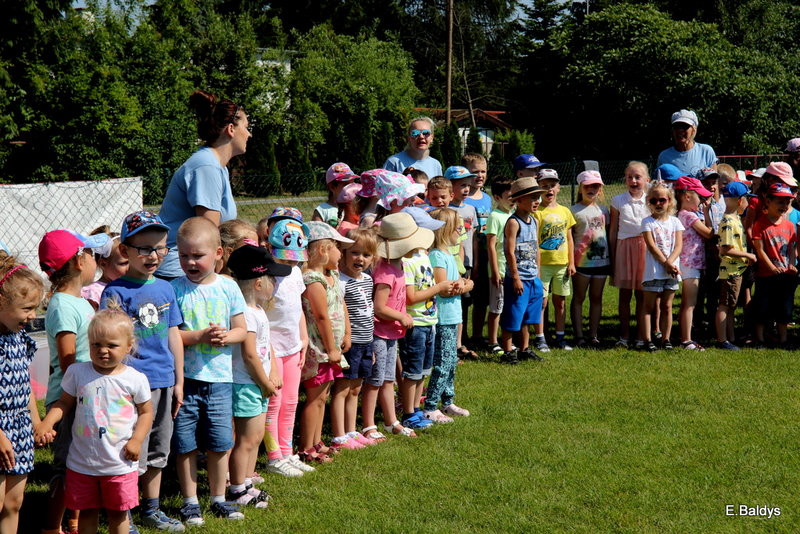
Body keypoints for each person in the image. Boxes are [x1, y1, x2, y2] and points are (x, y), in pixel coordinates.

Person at [99, 211, 185, 532]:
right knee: (133, 449)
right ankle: (126, 514)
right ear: (125, 251)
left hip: (164, 382)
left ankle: (152, 508)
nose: (153, 256)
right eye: (144, 249)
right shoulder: (115, 292)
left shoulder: (166, 289)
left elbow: (173, 334)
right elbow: (110, 340)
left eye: (160, 248)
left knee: (160, 450)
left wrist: (179, 380)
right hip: (131, 387)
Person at [35, 309, 154, 534]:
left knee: (118, 515)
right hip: (82, 463)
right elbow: (64, 404)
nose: (103, 351)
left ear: (129, 346)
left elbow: (147, 412)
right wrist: (46, 423)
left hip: (119, 463)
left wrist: (137, 440)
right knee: (87, 512)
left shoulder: (135, 379)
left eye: (111, 345)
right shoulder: (77, 372)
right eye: (95, 344)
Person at [171, 217, 247, 525]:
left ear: (218, 253)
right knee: (185, 443)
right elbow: (173, 335)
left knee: (220, 443)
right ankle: (190, 501)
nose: (190, 261)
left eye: (197, 255)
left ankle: (218, 498)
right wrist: (200, 336)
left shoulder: (228, 287)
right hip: (186, 381)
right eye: (184, 255)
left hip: (219, 381)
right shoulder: (173, 289)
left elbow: (242, 329)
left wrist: (227, 336)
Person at [39, 229, 111, 534]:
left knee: (82, 462)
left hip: (86, 394)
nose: (96, 261)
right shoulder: (63, 306)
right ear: (80, 261)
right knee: (67, 466)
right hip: (69, 399)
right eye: (92, 254)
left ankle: (74, 520)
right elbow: (68, 358)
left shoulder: (80, 302)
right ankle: (51, 526)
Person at [157, 90, 251, 279]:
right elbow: (208, 232)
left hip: (193, 266)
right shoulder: (206, 166)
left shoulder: (217, 166)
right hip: (182, 270)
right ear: (231, 129)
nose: (249, 134)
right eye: (247, 127)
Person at [227, 245, 290, 508]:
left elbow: (267, 347)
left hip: (258, 384)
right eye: (272, 279)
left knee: (254, 439)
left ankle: (247, 481)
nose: (275, 283)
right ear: (258, 283)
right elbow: (250, 355)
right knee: (247, 439)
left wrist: (273, 370)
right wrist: (264, 383)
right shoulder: (246, 315)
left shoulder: (258, 311)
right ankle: (236, 488)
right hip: (246, 384)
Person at [299, 222, 353, 461]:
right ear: (323, 250)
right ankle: (306, 447)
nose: (341, 254)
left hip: (332, 348)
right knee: (315, 397)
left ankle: (317, 441)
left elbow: (341, 305)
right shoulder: (312, 279)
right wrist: (331, 347)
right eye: (337, 248)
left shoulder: (331, 276)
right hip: (319, 349)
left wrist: (347, 333)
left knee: (324, 396)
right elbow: (320, 316)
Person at [264, 219, 312, 476]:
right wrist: (268, 353)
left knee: (291, 401)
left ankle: (287, 452)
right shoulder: (266, 276)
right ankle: (274, 457)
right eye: (286, 259)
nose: (291, 264)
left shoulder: (295, 272)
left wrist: (303, 339)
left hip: (293, 348)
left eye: (295, 260)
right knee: (274, 402)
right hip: (271, 351)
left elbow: (298, 309)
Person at [0, 256, 44, 534]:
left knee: (14, 502)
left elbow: (25, 385)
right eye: (27, 308)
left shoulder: (20, 338)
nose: (32, 316)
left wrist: (36, 422)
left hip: (20, 428)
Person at [364, 214, 419, 437]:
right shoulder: (385, 271)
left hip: (390, 334)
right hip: (379, 332)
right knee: (374, 381)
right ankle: (368, 426)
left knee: (387, 380)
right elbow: (379, 307)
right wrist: (401, 316)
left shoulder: (399, 266)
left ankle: (391, 422)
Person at [400, 208, 453, 425]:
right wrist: (439, 287)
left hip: (428, 321)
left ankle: (416, 408)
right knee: (412, 372)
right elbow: (411, 297)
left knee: (423, 370)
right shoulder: (407, 261)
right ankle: (408, 413)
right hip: (416, 323)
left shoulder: (423, 255)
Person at [425, 208, 473, 419]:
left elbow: (458, 282)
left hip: (453, 316)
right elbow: (443, 287)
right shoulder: (436, 255)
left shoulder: (448, 254)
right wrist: (465, 285)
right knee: (442, 364)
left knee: (451, 361)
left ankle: (448, 401)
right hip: (443, 318)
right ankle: (430, 406)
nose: (461, 232)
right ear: (444, 231)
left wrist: (463, 283)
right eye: (457, 228)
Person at [334, 228, 380, 445]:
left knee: (356, 389)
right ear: (342, 252)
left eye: (366, 254)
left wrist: (370, 345)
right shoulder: (339, 282)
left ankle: (352, 430)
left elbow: (368, 311)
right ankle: (339, 433)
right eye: (354, 252)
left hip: (365, 342)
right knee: (342, 389)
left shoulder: (368, 280)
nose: (360, 258)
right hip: (348, 344)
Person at [499, 177, 545, 364]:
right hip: (518, 278)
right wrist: (516, 277)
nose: (537, 201)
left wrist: (539, 276)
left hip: (533, 278)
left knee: (528, 315)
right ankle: (508, 351)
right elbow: (509, 252)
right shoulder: (513, 222)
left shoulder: (533, 221)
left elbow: (536, 249)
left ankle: (525, 349)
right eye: (532, 198)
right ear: (519, 200)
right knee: (513, 314)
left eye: (538, 198)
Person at [532, 168, 576, 351]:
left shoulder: (565, 211)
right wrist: (536, 265)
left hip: (561, 265)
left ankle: (560, 336)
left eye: (552, 185)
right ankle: (540, 337)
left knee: (560, 302)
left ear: (558, 188)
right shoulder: (536, 212)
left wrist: (571, 262)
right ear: (539, 189)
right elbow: (533, 240)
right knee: (541, 302)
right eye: (544, 186)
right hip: (543, 265)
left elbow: (569, 238)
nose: (549, 190)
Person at [609, 161, 650, 348]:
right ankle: (624, 337)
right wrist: (612, 253)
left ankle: (643, 336)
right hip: (624, 248)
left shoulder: (652, 199)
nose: (633, 181)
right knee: (624, 295)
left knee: (643, 295)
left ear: (646, 180)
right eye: (629, 177)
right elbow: (613, 230)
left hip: (645, 248)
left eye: (638, 177)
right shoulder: (618, 201)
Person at [751, 183, 798, 346]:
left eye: (786, 202)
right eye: (779, 201)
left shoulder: (790, 226)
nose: (784, 206)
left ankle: (783, 339)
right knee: (762, 308)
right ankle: (760, 339)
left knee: (784, 309)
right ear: (768, 201)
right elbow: (759, 250)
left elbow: (792, 248)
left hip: (786, 275)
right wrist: (771, 267)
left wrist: (792, 264)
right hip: (765, 275)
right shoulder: (760, 224)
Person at [640, 183, 684, 352]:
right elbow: (652, 247)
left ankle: (666, 339)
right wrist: (666, 264)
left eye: (662, 200)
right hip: (654, 271)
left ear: (670, 201)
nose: (658, 203)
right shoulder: (647, 222)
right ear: (648, 202)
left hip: (672, 271)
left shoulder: (675, 222)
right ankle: (647, 340)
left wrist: (670, 264)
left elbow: (678, 246)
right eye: (653, 200)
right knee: (649, 306)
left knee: (667, 306)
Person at [570, 171, 610, 348]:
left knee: (596, 298)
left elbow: (608, 233)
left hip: (602, 263)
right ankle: (578, 335)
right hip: (582, 264)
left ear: (600, 189)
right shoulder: (573, 211)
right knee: (579, 298)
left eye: (595, 186)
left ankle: (593, 335)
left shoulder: (604, 210)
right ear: (580, 187)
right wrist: (571, 262)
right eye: (587, 186)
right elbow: (570, 238)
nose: (591, 189)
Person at [715, 182, 757, 349]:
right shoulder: (728, 222)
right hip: (730, 272)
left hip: (736, 270)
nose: (747, 201)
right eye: (746, 198)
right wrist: (747, 255)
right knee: (725, 305)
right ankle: (722, 340)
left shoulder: (734, 219)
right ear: (740, 201)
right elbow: (726, 249)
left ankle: (730, 338)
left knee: (731, 306)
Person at [674, 177, 713, 351]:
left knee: (687, 303)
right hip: (690, 263)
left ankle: (685, 336)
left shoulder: (682, 214)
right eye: (700, 196)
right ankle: (686, 339)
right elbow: (710, 234)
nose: (703, 200)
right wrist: (707, 214)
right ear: (687, 196)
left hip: (690, 263)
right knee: (689, 303)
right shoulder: (689, 215)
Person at [444, 166, 479, 359]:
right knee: (454, 302)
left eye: (468, 185)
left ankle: (461, 341)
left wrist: (473, 261)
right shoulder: (445, 211)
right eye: (461, 185)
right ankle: (454, 343)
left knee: (465, 303)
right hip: (449, 262)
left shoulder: (470, 208)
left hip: (466, 262)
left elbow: (471, 238)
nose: (466, 189)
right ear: (451, 188)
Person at [462, 153, 492, 351]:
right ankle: (462, 336)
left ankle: (478, 335)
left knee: (482, 297)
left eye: (483, 171)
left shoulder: (487, 198)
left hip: (485, 253)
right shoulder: (463, 199)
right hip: (466, 255)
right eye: (475, 172)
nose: (479, 176)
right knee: (465, 299)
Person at [485, 177, 514, 353]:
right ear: (497, 197)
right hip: (500, 270)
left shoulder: (513, 215)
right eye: (509, 196)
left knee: (509, 306)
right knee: (497, 306)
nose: (513, 200)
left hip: (512, 271)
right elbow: (491, 245)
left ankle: (507, 340)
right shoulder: (495, 216)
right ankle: (492, 341)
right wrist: (495, 271)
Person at [656, 109, 717, 176]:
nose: (680, 130)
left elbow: (714, 183)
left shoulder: (706, 152)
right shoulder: (664, 156)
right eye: (677, 127)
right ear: (672, 130)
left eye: (685, 126)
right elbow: (659, 183)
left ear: (694, 129)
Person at [81, 228, 128, 310]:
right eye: (124, 263)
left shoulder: (132, 285)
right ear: (103, 264)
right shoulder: (94, 293)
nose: (130, 268)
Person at [314, 163, 358, 227]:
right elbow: (316, 234)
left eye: (352, 183)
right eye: (346, 184)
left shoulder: (356, 208)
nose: (351, 187)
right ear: (332, 187)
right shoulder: (322, 211)